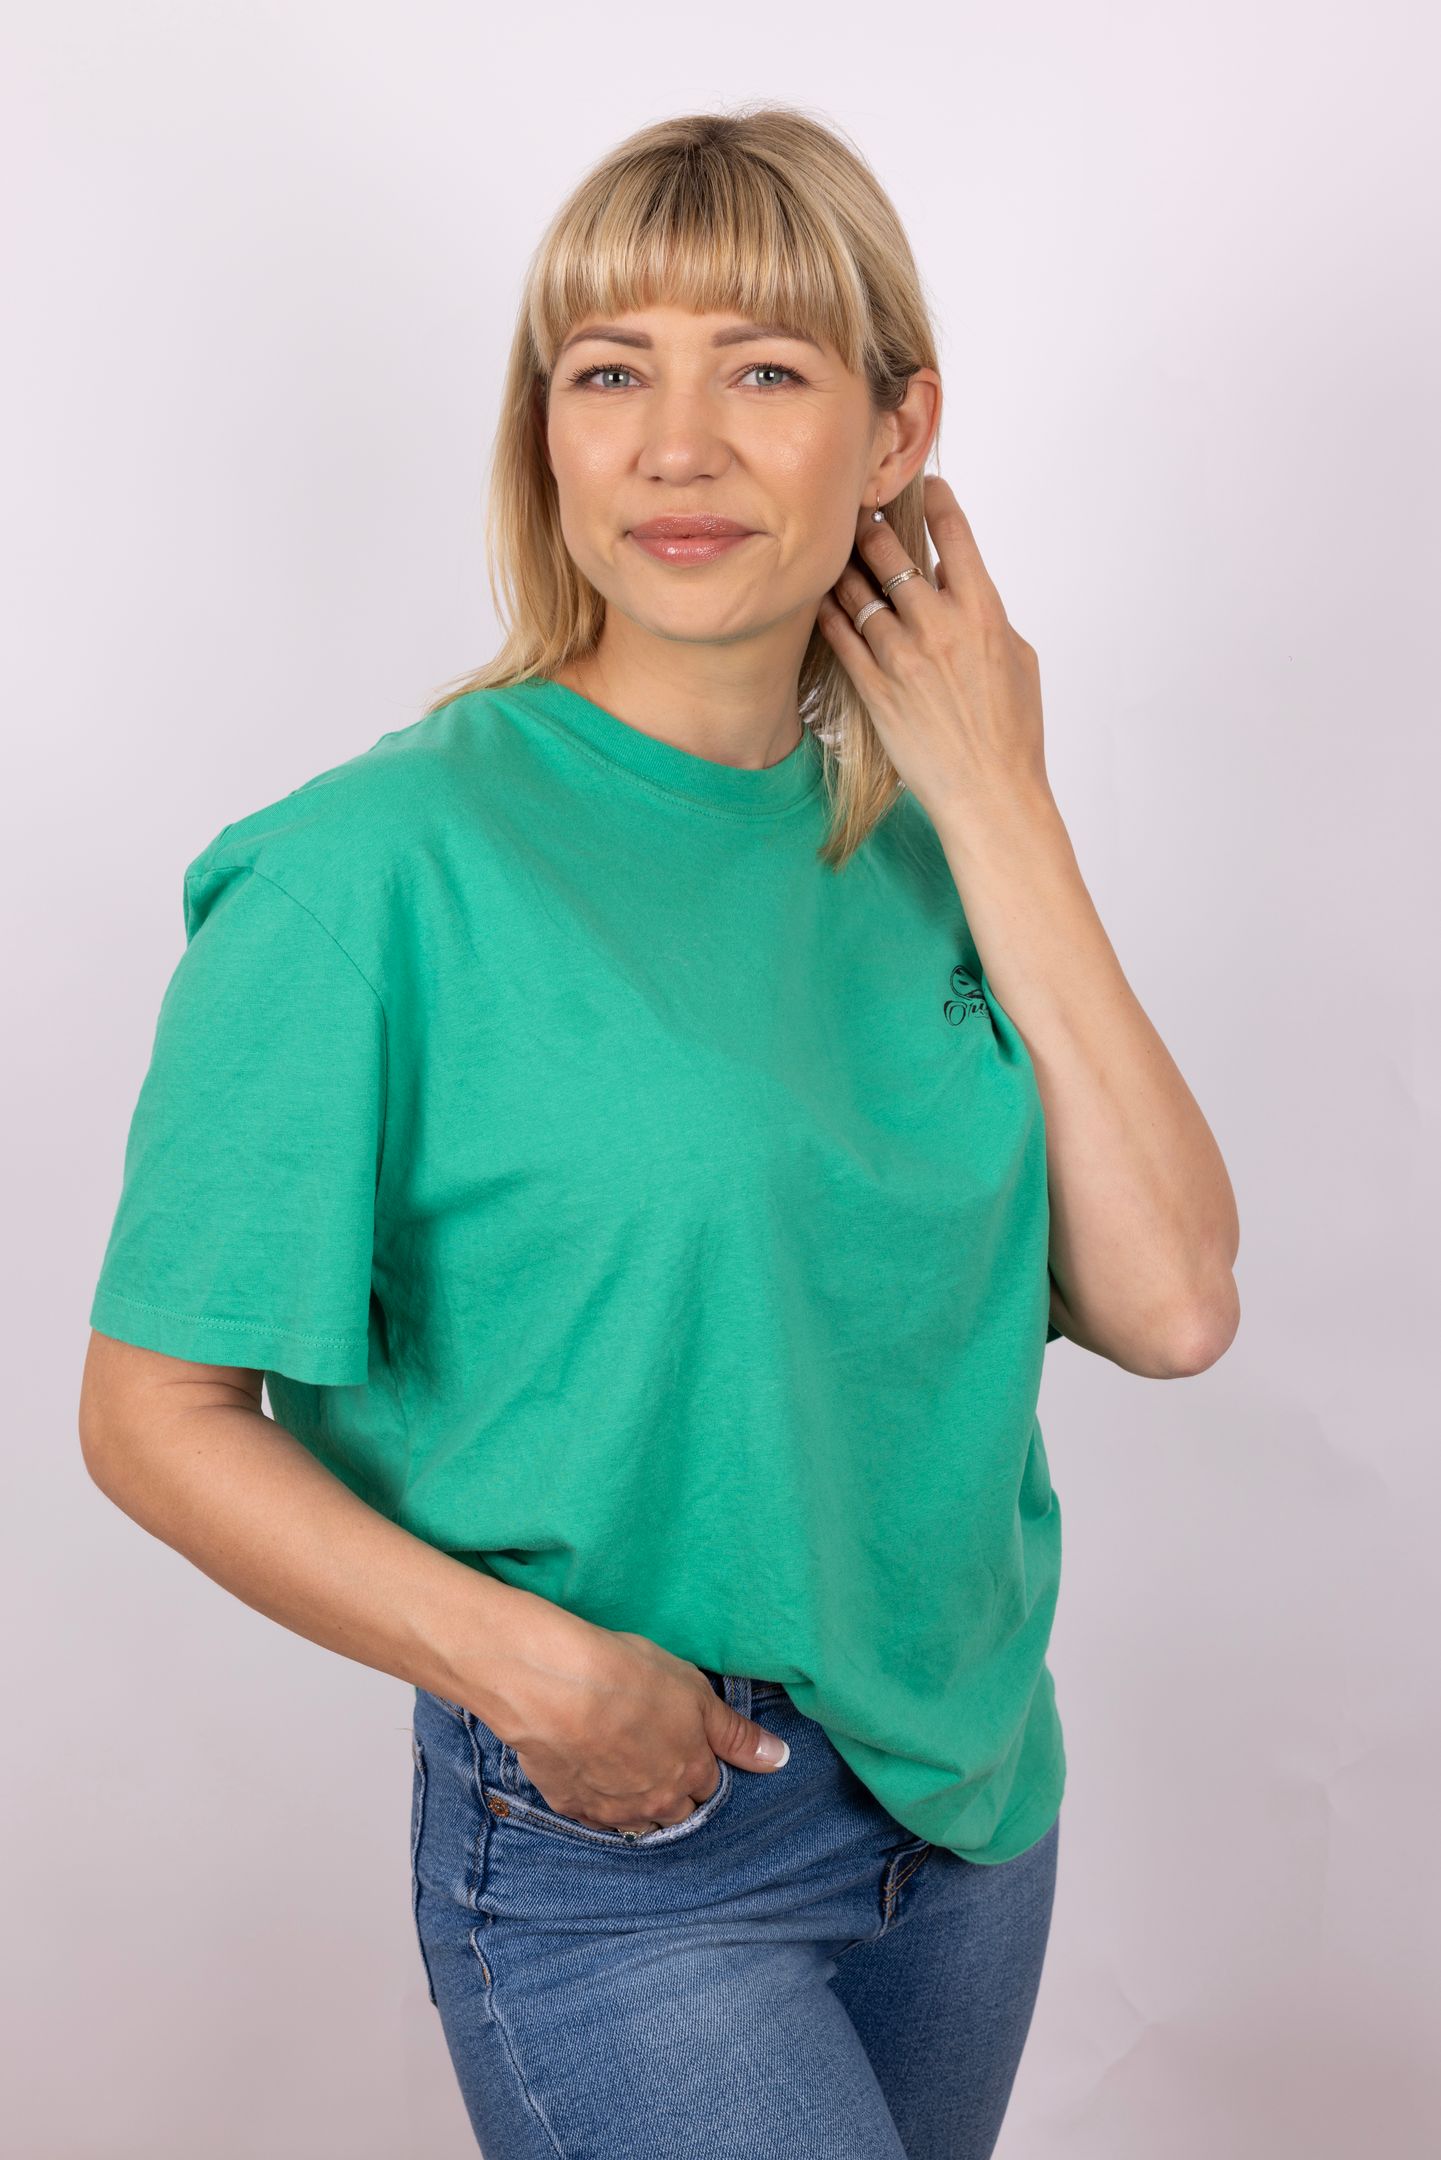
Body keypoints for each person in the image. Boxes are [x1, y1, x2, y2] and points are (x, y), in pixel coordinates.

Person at [78, 104, 1240, 2160]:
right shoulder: (368, 872)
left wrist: (996, 794)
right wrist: (536, 1675)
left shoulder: (929, 855)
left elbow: (1169, 1304)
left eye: (764, 372)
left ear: (896, 433)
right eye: (610, 372)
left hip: (970, 1816)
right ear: (546, 433)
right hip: (631, 1844)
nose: (675, 447)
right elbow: (152, 1411)